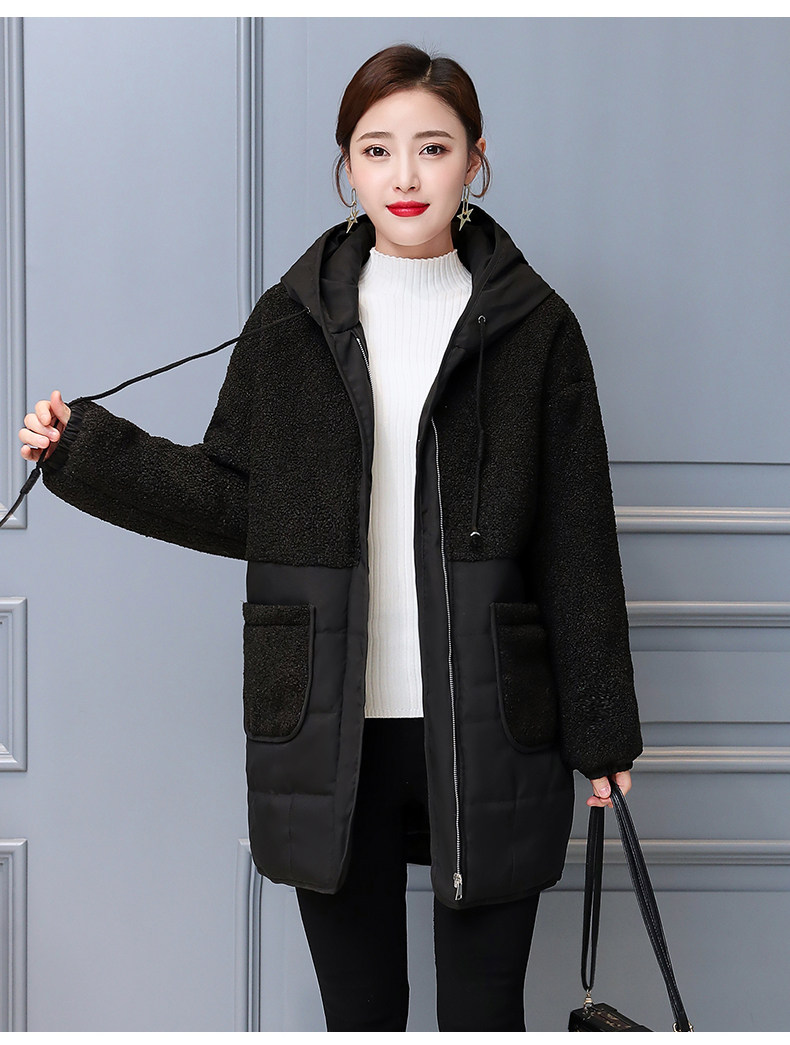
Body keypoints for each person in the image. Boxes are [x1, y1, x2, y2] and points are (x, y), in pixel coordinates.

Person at [19, 43, 643, 1033]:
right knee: (359, 1013)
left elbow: (575, 536)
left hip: (493, 724)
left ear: (475, 160)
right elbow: (236, 501)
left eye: (432, 147)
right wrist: (83, 453)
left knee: (484, 1013)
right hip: (325, 720)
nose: (405, 175)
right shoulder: (290, 323)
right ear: (346, 165)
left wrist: (603, 729)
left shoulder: (535, 327)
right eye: (377, 149)